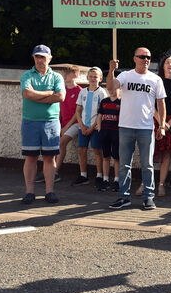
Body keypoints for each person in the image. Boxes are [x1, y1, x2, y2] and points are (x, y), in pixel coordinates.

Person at [106, 47, 166, 210]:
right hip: (126, 126)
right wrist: (111, 70)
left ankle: (148, 197)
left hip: (146, 128)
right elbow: (111, 88)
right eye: (142, 56)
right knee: (125, 164)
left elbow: (161, 103)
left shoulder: (155, 79)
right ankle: (123, 197)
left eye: (148, 57)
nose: (146, 59)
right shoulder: (125, 75)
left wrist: (161, 125)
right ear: (134, 58)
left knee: (147, 164)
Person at [20, 45, 65, 204]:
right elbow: (27, 94)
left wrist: (36, 95)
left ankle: (49, 191)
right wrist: (47, 93)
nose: (40, 60)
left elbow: (60, 96)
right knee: (30, 158)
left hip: (50, 123)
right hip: (30, 122)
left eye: (43, 57)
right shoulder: (27, 75)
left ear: (49, 58)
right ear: (34, 58)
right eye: (37, 57)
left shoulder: (57, 77)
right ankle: (29, 192)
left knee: (49, 158)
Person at [147, 55, 171, 197]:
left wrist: (168, 123)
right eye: (168, 62)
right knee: (150, 152)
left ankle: (161, 184)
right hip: (155, 119)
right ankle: (145, 183)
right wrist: (160, 122)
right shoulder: (156, 81)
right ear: (163, 65)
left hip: (170, 122)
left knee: (167, 153)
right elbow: (151, 103)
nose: (170, 65)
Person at [40, 64, 79, 183]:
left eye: (67, 73)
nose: (64, 76)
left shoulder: (79, 91)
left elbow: (77, 113)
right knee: (51, 142)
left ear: (75, 75)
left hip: (75, 123)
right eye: (64, 73)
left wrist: (65, 127)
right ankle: (48, 171)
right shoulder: (62, 90)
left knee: (61, 143)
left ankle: (54, 172)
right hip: (63, 124)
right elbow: (60, 110)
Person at [72, 67, 107, 188]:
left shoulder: (102, 92)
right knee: (81, 150)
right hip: (83, 126)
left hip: (95, 127)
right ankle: (83, 175)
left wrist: (92, 127)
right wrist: (81, 125)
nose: (93, 79)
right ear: (87, 78)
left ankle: (99, 175)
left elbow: (102, 113)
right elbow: (78, 111)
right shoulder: (82, 92)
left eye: (95, 77)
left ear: (100, 78)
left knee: (97, 151)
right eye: (91, 76)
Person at [96, 85, 121, 192]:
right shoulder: (104, 101)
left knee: (116, 157)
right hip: (105, 133)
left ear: (119, 89)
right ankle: (105, 179)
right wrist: (99, 129)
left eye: (114, 88)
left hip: (116, 133)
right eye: (109, 88)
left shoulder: (122, 102)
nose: (111, 90)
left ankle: (116, 180)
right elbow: (99, 116)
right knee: (106, 156)